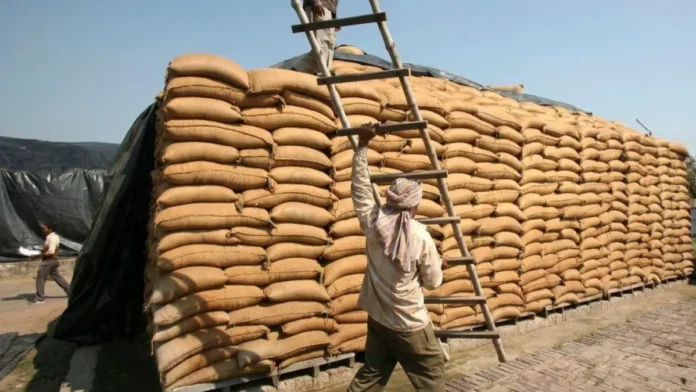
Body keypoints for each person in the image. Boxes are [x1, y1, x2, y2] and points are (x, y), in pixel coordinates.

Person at [347, 124, 446, 392]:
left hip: (379, 318)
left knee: (372, 375)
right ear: (414, 206)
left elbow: (360, 189)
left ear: (391, 199)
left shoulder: (373, 224)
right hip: (408, 323)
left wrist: (362, 146)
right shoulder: (420, 236)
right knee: (432, 374)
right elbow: (434, 282)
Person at [29, 224, 71, 304]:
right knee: (58, 278)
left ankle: (40, 298)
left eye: (44, 229)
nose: (43, 230)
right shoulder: (53, 237)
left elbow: (51, 252)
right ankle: (71, 292)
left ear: (50, 229)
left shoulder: (52, 238)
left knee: (40, 277)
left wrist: (36, 256)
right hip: (53, 261)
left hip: (49, 261)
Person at [301, 0, 339, 75]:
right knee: (322, 45)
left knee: (329, 46)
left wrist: (334, 16)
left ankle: (322, 75)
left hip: (327, 9)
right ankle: (298, 69)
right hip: (320, 6)